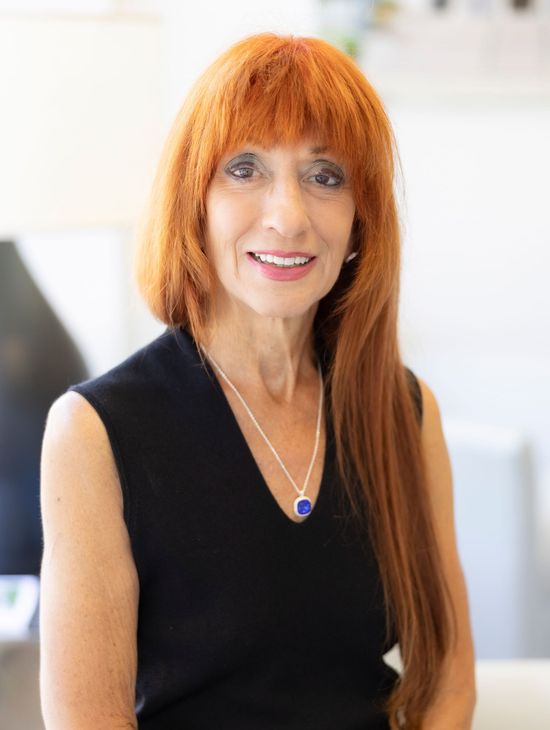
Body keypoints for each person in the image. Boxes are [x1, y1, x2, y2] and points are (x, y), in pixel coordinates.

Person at [39, 33, 476, 730]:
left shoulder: (406, 410)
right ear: (196, 202)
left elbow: (449, 683)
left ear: (361, 219)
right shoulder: (95, 431)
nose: (288, 216)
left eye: (325, 176)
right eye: (245, 169)